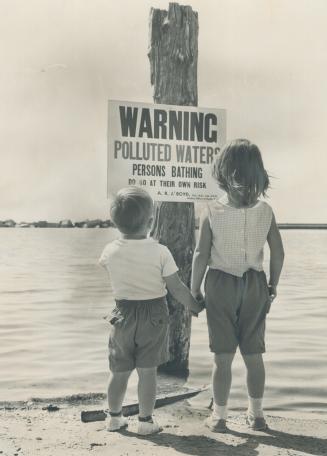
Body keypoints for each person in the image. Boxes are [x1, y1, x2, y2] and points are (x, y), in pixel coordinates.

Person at [191, 139, 284, 432]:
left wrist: (194, 291)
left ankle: (219, 417)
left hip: (220, 284)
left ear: (223, 172)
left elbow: (201, 255)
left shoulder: (212, 211)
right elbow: (278, 253)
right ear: (259, 174)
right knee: (254, 357)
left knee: (223, 358)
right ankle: (256, 415)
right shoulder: (266, 211)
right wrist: (273, 285)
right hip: (255, 283)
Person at [99, 186, 203, 435]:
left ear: (115, 222)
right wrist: (195, 306)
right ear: (151, 221)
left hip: (122, 314)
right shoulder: (160, 251)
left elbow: (108, 268)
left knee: (119, 371)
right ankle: (145, 422)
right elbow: (176, 288)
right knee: (148, 373)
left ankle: (114, 418)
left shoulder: (110, 251)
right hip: (154, 315)